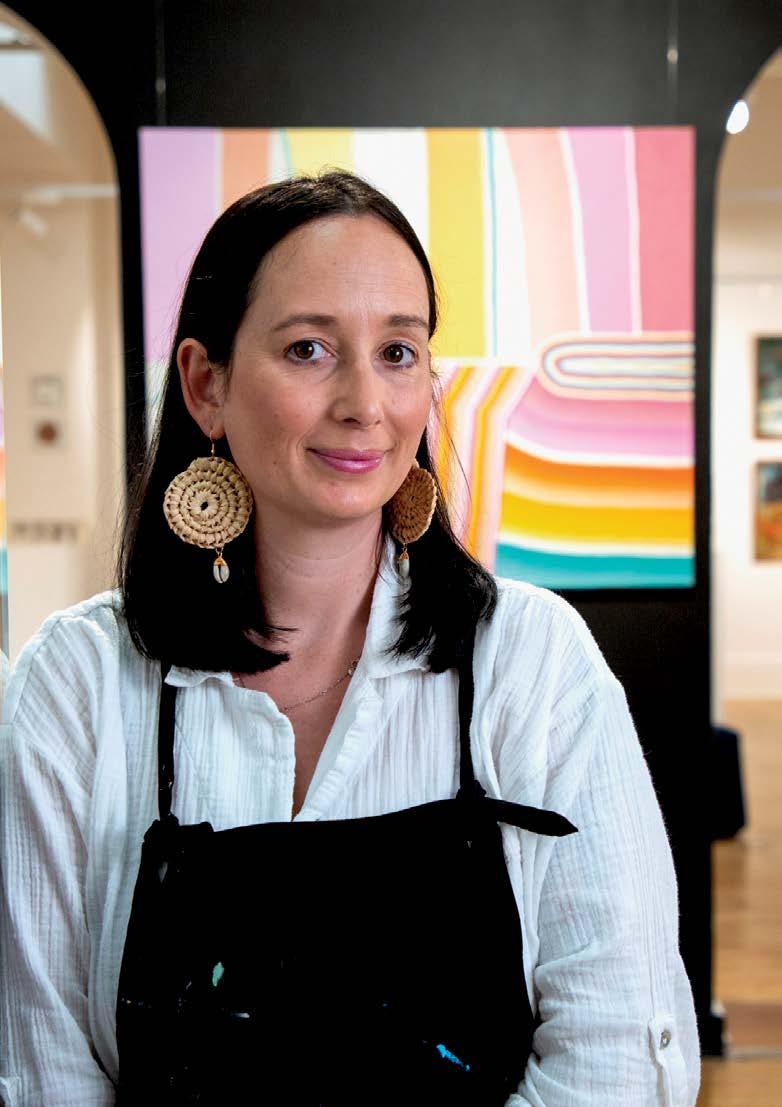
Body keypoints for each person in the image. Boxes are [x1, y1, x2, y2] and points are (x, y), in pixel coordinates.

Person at [0, 170, 700, 1106]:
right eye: (309, 349)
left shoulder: (533, 663)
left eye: (398, 352)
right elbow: (43, 1070)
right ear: (206, 386)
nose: (365, 401)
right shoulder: (77, 685)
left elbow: (616, 1056)